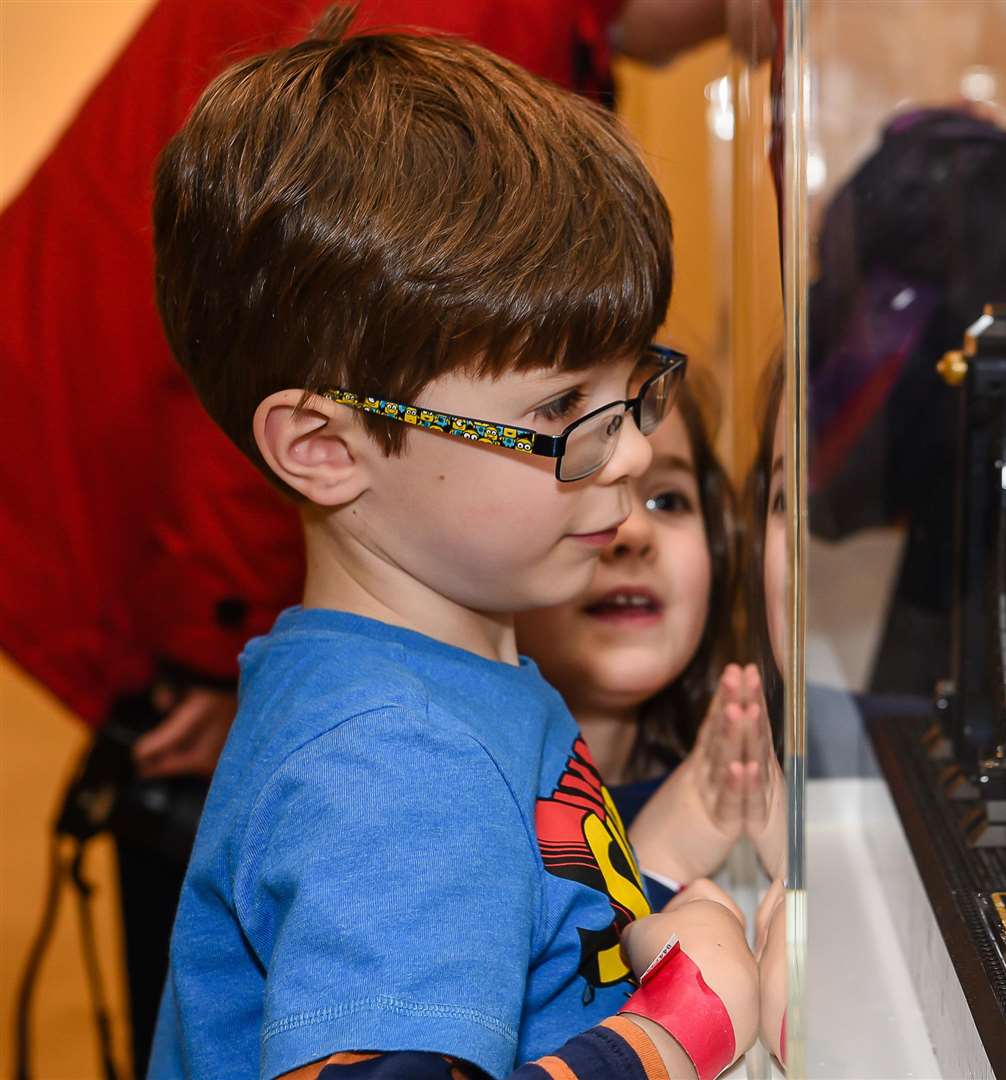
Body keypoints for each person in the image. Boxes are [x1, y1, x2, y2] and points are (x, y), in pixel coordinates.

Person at [147, 12, 754, 1079]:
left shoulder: (452, 677)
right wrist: (676, 1033)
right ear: (325, 448)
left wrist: (664, 910)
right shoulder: (393, 765)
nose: (628, 454)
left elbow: (528, 923)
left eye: (633, 387)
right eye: (567, 404)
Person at [517, 378, 785, 900]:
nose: (632, 532)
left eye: (667, 500)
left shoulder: (746, 783)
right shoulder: (470, 807)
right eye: (583, 481)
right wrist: (656, 864)